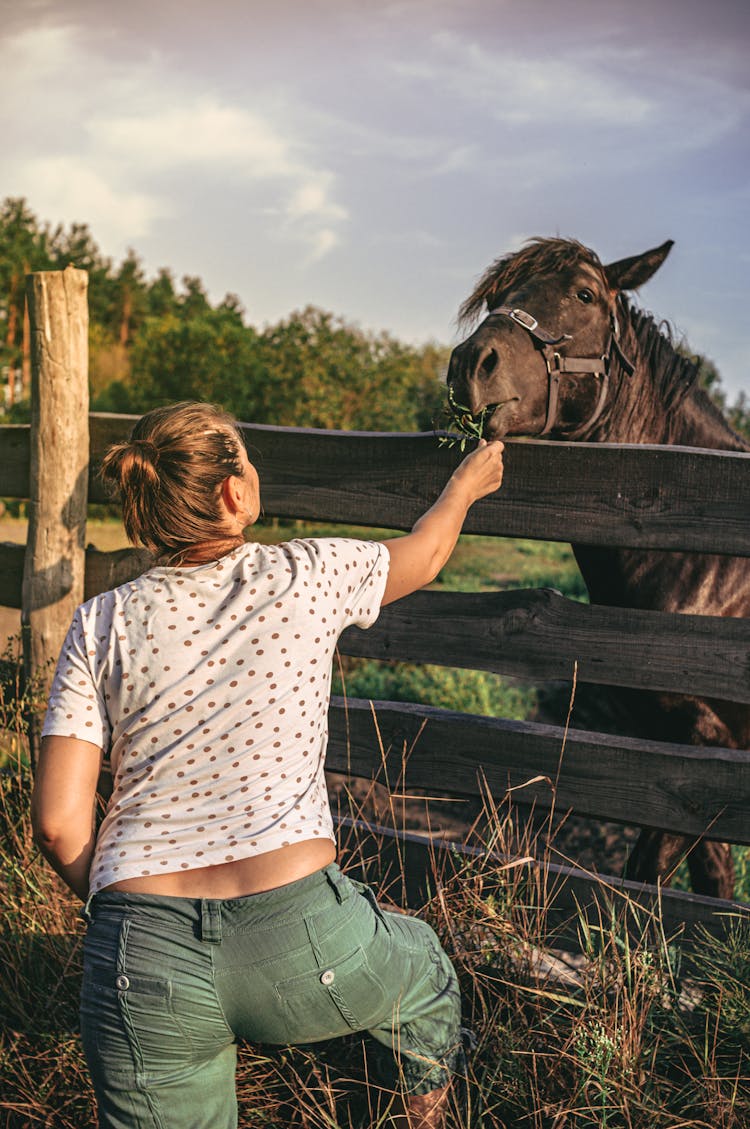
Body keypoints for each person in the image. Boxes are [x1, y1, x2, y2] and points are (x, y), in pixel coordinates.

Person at [31, 401, 504, 1129]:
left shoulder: (100, 622)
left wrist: (132, 923)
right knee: (424, 970)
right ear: (233, 494)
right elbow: (428, 552)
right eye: (247, 460)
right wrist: (467, 483)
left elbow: (61, 827)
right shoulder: (307, 571)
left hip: (140, 953)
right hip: (307, 939)